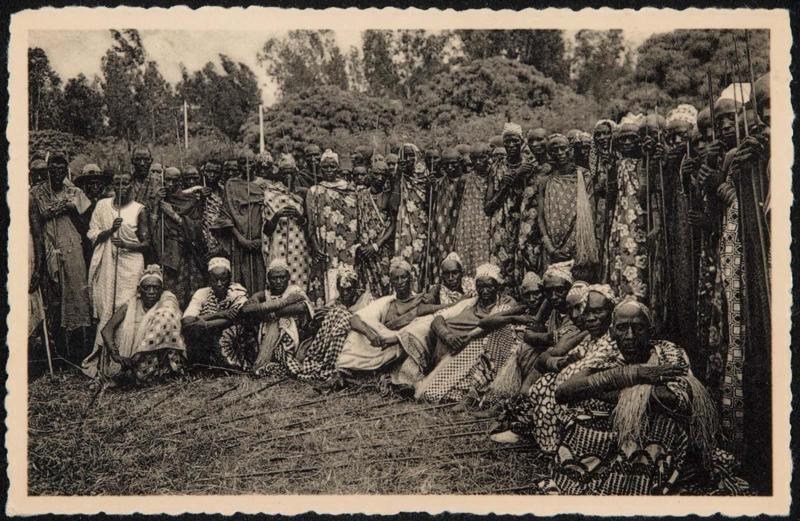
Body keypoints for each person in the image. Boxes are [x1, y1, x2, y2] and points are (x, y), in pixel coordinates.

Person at [546, 299, 721, 495]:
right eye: (622, 328)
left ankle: (634, 485)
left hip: (652, 432)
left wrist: (604, 389)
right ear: (612, 332)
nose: (630, 336)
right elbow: (564, 392)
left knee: (659, 424)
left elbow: (674, 399)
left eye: (637, 328)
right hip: (609, 433)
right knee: (581, 424)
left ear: (651, 331)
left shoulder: (669, 353)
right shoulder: (607, 353)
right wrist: (635, 375)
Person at [494, 285, 618, 450]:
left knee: (553, 382)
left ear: (612, 311)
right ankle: (550, 443)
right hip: (576, 389)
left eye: (598, 312)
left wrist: (562, 363)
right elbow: (553, 356)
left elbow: (571, 365)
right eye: (586, 312)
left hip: (599, 396)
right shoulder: (592, 337)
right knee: (545, 381)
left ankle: (556, 440)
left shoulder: (613, 338)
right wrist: (563, 362)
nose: (590, 318)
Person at [413, 263, 521, 403]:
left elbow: (495, 326)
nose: (485, 291)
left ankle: (474, 393)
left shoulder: (506, 304)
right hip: (455, 358)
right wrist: (447, 335)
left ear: (498, 287)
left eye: (489, 286)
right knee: (433, 393)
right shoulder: (469, 304)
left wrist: (470, 338)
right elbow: (438, 318)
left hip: (488, 362)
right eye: (481, 287)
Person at [82, 170, 151, 378]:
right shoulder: (102, 206)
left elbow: (147, 243)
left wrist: (128, 244)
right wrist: (110, 232)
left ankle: (126, 358)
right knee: (106, 306)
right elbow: (92, 233)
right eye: (117, 183)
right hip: (108, 262)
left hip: (131, 264)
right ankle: (105, 361)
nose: (122, 187)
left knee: (126, 306)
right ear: (112, 186)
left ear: (132, 185)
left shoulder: (139, 209)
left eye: (126, 183)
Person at [30, 153, 93, 355]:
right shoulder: (36, 193)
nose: (56, 173)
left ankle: (78, 349)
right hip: (49, 244)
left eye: (60, 169)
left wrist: (70, 209)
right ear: (47, 170)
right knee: (54, 296)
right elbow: (36, 224)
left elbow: (86, 223)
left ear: (66, 170)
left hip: (72, 245)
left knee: (76, 292)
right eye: (52, 169)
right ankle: (58, 351)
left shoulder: (74, 192)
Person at [97, 265, 187, 386]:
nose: (151, 292)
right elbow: (107, 330)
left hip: (150, 356)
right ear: (139, 290)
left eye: (155, 288)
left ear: (161, 290)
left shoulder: (165, 304)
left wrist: (139, 355)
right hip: (126, 357)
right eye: (147, 288)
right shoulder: (131, 305)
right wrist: (115, 355)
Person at [335, 257, 424, 374]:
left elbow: (419, 329)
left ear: (410, 278)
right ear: (391, 282)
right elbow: (355, 319)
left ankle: (368, 370)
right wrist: (370, 334)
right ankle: (348, 368)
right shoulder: (387, 301)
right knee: (356, 333)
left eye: (403, 277)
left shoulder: (419, 301)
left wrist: (395, 338)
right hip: (380, 343)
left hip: (400, 344)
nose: (400, 282)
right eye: (396, 279)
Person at [276, 267, 365, 383]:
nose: (345, 293)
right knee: (335, 313)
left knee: (341, 314)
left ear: (355, 288)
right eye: (341, 289)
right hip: (331, 344)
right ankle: (325, 364)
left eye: (349, 289)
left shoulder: (363, 301)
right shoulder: (334, 303)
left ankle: (333, 366)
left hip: (355, 342)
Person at [239, 259, 313, 376]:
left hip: (293, 336)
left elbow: (300, 308)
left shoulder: (294, 291)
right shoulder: (265, 294)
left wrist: (272, 313)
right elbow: (246, 309)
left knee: (280, 323)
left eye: (282, 277)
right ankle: (268, 363)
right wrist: (283, 303)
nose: (278, 281)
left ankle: (274, 363)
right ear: (268, 279)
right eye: (274, 278)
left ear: (288, 277)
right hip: (266, 333)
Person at [305, 149, 359, 307]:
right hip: (325, 248)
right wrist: (315, 247)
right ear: (320, 169)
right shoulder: (314, 191)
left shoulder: (349, 189)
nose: (329, 171)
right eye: (325, 167)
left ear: (338, 167)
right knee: (327, 281)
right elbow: (311, 224)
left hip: (346, 248)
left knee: (347, 280)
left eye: (332, 167)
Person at [538, 133, 598, 273]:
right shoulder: (545, 180)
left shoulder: (584, 176)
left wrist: (574, 243)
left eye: (563, 148)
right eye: (554, 150)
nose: (560, 153)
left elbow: (590, 213)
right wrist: (551, 248)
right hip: (552, 247)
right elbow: (540, 217)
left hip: (579, 243)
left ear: (570, 149)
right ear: (549, 154)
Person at [181, 257, 253, 369]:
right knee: (193, 331)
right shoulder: (202, 293)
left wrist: (205, 323)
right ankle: (202, 367)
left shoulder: (237, 292)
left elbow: (237, 317)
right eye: (215, 280)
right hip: (208, 335)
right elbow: (187, 320)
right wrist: (220, 314)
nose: (219, 284)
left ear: (230, 279)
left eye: (223, 279)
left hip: (230, 339)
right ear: (209, 280)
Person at [607, 114, 649, 299]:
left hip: (641, 220)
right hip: (622, 220)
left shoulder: (645, 162)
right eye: (622, 139)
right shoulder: (617, 165)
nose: (627, 142)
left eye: (632, 138)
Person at [151, 166, 206, 307]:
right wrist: (157, 204)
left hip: (188, 253)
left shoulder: (191, 199)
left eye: (174, 180)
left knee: (192, 293)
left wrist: (173, 215)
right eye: (167, 180)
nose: (170, 184)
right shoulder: (160, 198)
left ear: (180, 181)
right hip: (169, 252)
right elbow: (153, 225)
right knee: (170, 294)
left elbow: (196, 228)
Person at [485, 122, 533, 283]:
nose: (511, 145)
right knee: (501, 268)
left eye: (515, 141)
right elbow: (488, 208)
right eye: (507, 141)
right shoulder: (496, 167)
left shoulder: (530, 165)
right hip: (502, 225)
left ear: (522, 141)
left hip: (524, 224)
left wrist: (521, 174)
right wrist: (505, 186)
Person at [213, 153, 267, 294]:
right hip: (238, 242)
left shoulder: (264, 185)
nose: (247, 167)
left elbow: (269, 213)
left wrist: (262, 239)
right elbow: (225, 215)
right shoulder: (231, 185)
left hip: (260, 241)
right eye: (243, 163)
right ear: (238, 165)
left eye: (250, 163)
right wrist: (241, 239)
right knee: (240, 279)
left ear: (256, 164)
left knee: (261, 276)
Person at [261, 153, 311, 291]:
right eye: (284, 173)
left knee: (299, 281)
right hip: (278, 245)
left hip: (299, 247)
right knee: (278, 279)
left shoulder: (303, 194)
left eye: (291, 173)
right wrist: (277, 216)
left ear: (296, 173)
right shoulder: (270, 193)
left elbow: (309, 224)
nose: (287, 176)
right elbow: (266, 230)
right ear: (278, 174)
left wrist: (298, 216)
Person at [355, 158, 397, 300]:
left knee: (385, 287)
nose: (380, 178)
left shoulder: (389, 196)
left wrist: (376, 245)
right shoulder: (360, 196)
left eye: (384, 175)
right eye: (377, 174)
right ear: (370, 173)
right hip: (364, 251)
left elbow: (393, 224)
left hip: (382, 250)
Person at [393, 143, 431, 291]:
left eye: (410, 155)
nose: (408, 159)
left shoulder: (426, 178)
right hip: (404, 228)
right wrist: (398, 176)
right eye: (404, 156)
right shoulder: (398, 177)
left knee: (422, 259)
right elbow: (393, 205)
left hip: (422, 226)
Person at [451, 143, 492, 276]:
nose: (478, 162)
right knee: (467, 256)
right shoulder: (465, 179)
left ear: (488, 157)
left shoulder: (494, 175)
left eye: (482, 158)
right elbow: (459, 203)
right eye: (475, 159)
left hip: (486, 223)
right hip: (467, 225)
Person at [516, 130, 552, 281]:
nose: (535, 144)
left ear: (548, 140)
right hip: (528, 223)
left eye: (539, 139)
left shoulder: (555, 166)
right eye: (531, 141)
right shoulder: (528, 167)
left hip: (548, 220)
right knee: (530, 257)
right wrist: (519, 174)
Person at [427, 148, 466, 284]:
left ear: (460, 163)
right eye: (446, 164)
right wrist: (431, 187)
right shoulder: (438, 182)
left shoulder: (466, 182)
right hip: (441, 233)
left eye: (454, 163)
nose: (450, 167)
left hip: (460, 229)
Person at [589, 120, 616, 272]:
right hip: (599, 209)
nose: (603, 138)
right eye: (598, 134)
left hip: (615, 207)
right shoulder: (594, 158)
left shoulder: (619, 156)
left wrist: (611, 167)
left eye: (606, 133)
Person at [199, 157, 226, 257]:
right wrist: (201, 199)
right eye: (209, 171)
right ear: (203, 172)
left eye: (216, 172)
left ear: (221, 174)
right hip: (201, 241)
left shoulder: (224, 192)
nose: (212, 175)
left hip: (220, 240)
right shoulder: (196, 191)